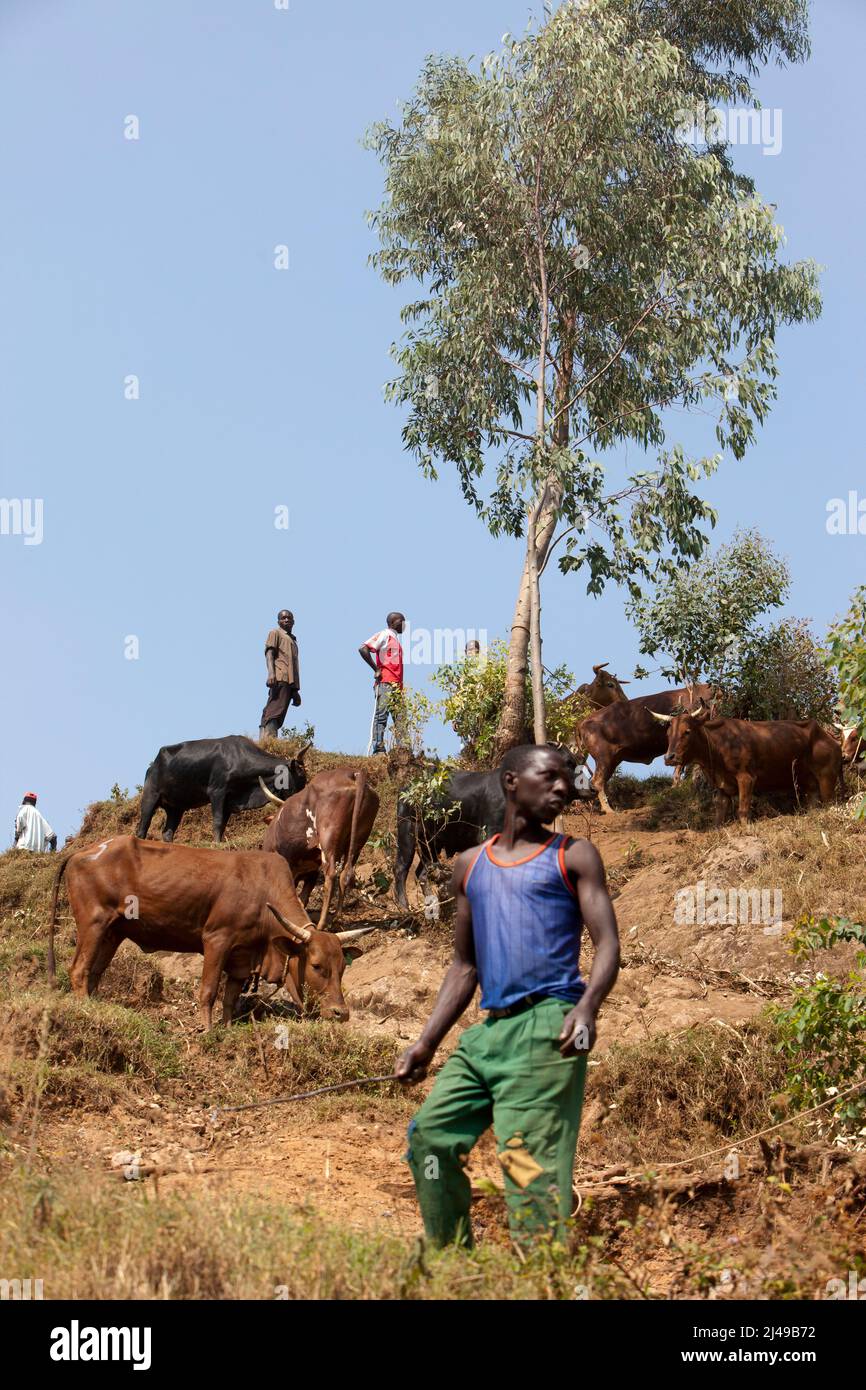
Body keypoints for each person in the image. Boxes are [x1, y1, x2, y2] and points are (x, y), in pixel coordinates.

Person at [396, 743, 620, 1248]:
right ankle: (452, 1263)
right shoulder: (469, 865)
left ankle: (539, 1277)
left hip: (548, 1031)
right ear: (511, 781)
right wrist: (426, 1043)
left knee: (525, 1164)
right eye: (551, 776)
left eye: (568, 778)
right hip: (488, 1034)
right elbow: (465, 966)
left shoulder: (574, 856)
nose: (565, 786)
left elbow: (608, 945)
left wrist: (586, 1008)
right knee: (430, 1137)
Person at [358, 611, 405, 754]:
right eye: (401, 621)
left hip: (397, 685)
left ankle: (403, 749)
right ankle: (378, 749)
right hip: (385, 682)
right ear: (392, 623)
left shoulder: (395, 639)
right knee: (381, 716)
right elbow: (363, 648)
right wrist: (376, 669)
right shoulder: (385, 634)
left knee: (401, 717)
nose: (404, 624)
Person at [259, 609, 301, 740]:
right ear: (279, 621)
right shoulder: (275, 633)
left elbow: (293, 667)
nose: (287, 620)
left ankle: (269, 739)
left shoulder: (292, 641)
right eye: (283, 618)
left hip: (290, 682)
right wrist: (271, 674)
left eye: (289, 618)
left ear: (293, 622)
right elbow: (269, 654)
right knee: (273, 711)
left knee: (280, 712)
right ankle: (267, 741)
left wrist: (295, 691)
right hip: (280, 677)